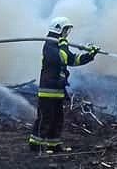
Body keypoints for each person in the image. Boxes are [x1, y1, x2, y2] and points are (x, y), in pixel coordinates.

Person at [29, 15, 98, 154]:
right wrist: (64, 43)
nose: (67, 33)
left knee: (57, 119)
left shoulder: (60, 45)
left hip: (58, 91)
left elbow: (73, 60)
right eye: (66, 30)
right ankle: (37, 146)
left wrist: (90, 55)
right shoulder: (49, 45)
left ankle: (53, 145)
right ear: (59, 29)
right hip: (47, 90)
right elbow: (63, 57)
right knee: (45, 119)